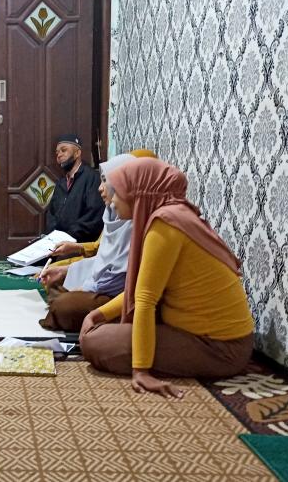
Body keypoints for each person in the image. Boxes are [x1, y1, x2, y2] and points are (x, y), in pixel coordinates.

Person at [79, 158, 254, 397]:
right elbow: (144, 290)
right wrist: (98, 313)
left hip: (219, 348)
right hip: (205, 336)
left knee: (95, 342)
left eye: (117, 192)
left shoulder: (166, 223)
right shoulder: (173, 216)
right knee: (97, 327)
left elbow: (146, 299)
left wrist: (141, 371)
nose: (113, 200)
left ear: (140, 192)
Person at [39, 153, 138, 331]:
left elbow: (122, 274)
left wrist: (85, 287)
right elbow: (103, 258)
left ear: (125, 183)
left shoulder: (137, 220)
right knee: (55, 280)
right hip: (101, 281)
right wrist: (67, 270)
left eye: (106, 181)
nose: (100, 188)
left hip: (118, 294)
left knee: (63, 306)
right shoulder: (113, 214)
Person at [48, 149, 157, 266]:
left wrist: (67, 271)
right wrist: (75, 248)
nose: (100, 188)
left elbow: (119, 268)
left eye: (106, 180)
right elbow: (100, 250)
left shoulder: (153, 222)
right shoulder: (112, 211)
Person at [45, 134, 105, 243]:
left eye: (64, 150)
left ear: (77, 153)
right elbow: (51, 213)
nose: (59, 155)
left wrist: (67, 237)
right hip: (56, 242)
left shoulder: (92, 178)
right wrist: (53, 235)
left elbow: (93, 218)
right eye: (57, 152)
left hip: (78, 244)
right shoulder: (61, 183)